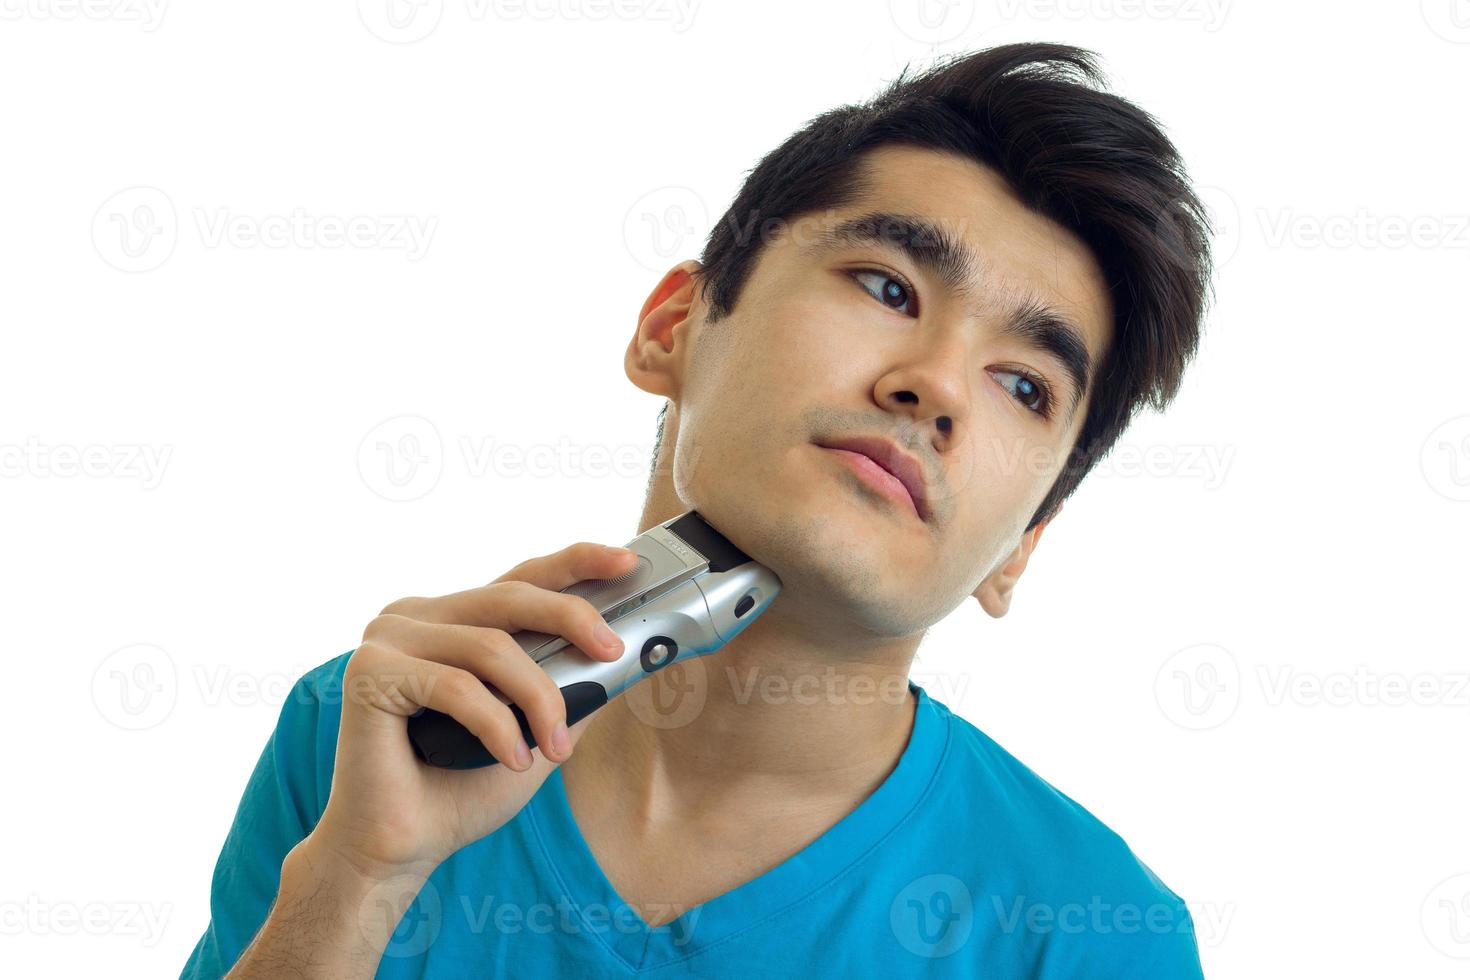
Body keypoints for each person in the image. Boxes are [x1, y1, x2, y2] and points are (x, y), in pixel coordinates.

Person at [181, 41, 1214, 978]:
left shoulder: (1092, 934)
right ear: (674, 323)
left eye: (1025, 385)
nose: (937, 384)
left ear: (1022, 545)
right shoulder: (373, 734)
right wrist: (354, 879)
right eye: (888, 285)